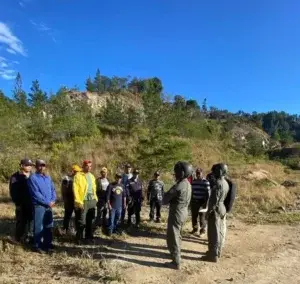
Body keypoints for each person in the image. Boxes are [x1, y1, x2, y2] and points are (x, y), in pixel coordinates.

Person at [163, 161, 192, 270]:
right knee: (178, 234)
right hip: (183, 212)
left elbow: (165, 199)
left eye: (177, 172)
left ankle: (176, 262)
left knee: (173, 236)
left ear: (182, 172)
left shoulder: (178, 185)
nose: (175, 174)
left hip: (176, 213)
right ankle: (177, 256)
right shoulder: (188, 184)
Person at [202, 163, 229, 263]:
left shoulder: (218, 183)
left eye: (215, 171)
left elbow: (214, 200)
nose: (213, 173)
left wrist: (208, 212)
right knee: (220, 231)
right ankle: (217, 251)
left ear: (220, 171)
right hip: (222, 208)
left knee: (213, 233)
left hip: (216, 209)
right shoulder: (225, 182)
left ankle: (213, 255)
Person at [27, 160, 56, 253]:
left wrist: (53, 200)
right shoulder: (33, 178)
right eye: (39, 165)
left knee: (48, 225)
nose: (41, 167)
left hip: (49, 206)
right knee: (38, 226)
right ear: (36, 166)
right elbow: (35, 193)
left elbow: (53, 189)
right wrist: (47, 202)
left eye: (43, 165)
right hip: (39, 206)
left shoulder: (47, 178)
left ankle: (47, 244)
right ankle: (37, 245)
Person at [9, 159, 34, 244]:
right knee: (21, 221)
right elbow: (13, 192)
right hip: (21, 203)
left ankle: (30, 238)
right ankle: (18, 239)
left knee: (31, 221)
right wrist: (17, 203)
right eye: (27, 165)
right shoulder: (15, 177)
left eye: (31, 165)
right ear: (22, 166)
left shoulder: (33, 176)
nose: (29, 167)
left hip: (32, 203)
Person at [73, 160, 98, 242]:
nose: (89, 167)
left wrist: (95, 198)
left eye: (90, 166)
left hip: (92, 200)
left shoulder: (92, 176)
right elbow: (75, 189)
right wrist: (78, 201)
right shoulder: (78, 175)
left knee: (90, 220)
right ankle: (79, 238)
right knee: (81, 220)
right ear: (83, 166)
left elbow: (94, 188)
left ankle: (89, 237)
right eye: (88, 166)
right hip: (83, 201)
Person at [61, 165, 82, 234]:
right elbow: (63, 190)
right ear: (73, 171)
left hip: (76, 200)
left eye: (79, 171)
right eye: (77, 171)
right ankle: (65, 230)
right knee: (67, 216)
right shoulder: (66, 178)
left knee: (78, 217)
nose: (78, 172)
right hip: (69, 200)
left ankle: (77, 232)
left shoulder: (79, 178)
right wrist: (65, 200)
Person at [190, 168, 210, 236]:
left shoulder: (206, 182)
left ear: (202, 173)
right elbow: (192, 192)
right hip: (194, 201)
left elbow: (208, 194)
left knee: (202, 217)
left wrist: (206, 203)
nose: (198, 174)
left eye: (199, 173)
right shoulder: (194, 182)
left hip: (202, 202)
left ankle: (202, 231)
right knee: (194, 216)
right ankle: (195, 229)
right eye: (197, 173)